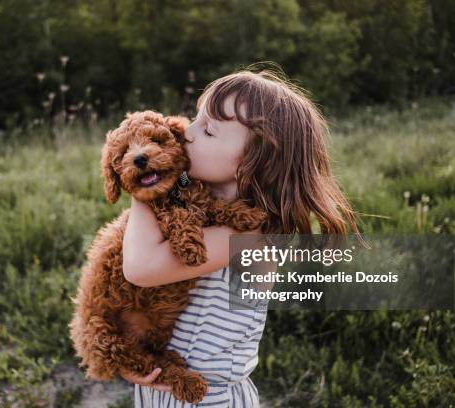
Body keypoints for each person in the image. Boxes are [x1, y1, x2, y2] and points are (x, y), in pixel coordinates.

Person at [121, 66, 362, 407]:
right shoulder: (205, 215)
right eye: (196, 118)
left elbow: (140, 267)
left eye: (209, 130)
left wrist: (142, 180)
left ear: (250, 162)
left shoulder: (248, 237)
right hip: (166, 389)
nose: (187, 132)